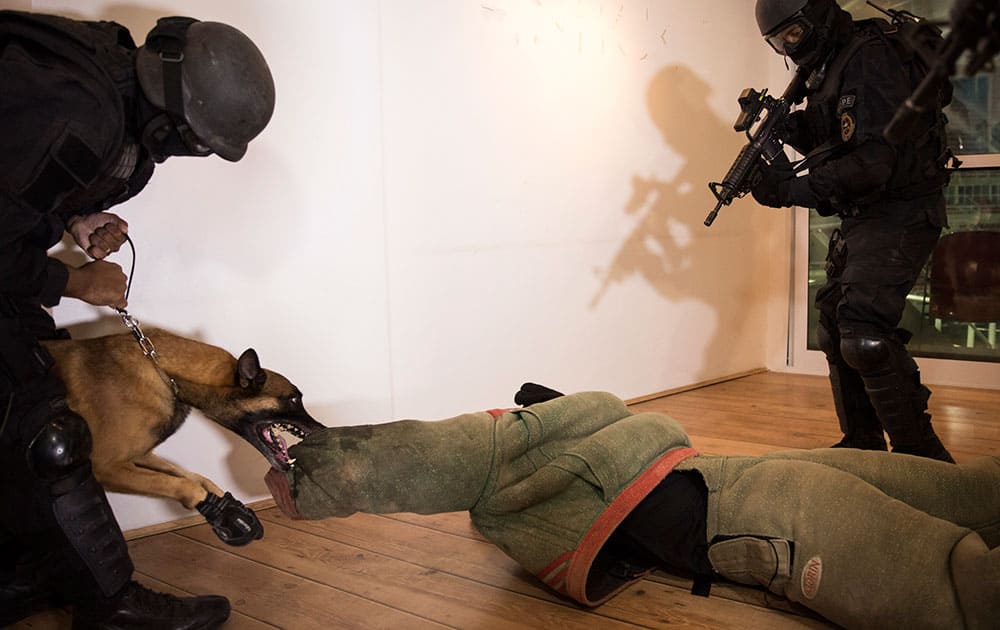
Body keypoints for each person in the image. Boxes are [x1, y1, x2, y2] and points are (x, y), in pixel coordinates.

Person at [263, 387, 1000, 630]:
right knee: (959, 583)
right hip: (752, 509)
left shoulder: (554, 441)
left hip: (736, 478)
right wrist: (313, 478)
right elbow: (429, 456)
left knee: (964, 492)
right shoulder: (502, 451)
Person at [1, 10, 274, 628]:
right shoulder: (80, 113)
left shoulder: (104, 70)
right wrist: (76, 281)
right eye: (194, 138)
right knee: (50, 433)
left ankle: (20, 581)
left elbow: (18, 186)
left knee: (23, 420)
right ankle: (112, 607)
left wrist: (76, 218)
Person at [748, 0, 956, 462]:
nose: (789, 47)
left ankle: (923, 460)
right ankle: (862, 446)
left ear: (818, 16)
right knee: (833, 325)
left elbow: (871, 165)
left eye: (794, 35)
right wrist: (786, 129)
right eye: (779, 42)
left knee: (864, 333)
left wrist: (791, 190)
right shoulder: (832, 66)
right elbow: (838, 136)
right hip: (868, 214)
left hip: (901, 210)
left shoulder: (870, 58)